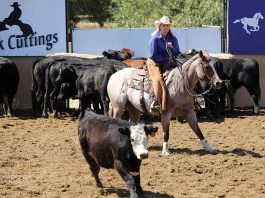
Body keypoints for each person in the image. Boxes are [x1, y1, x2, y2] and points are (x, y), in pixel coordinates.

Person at [147, 16, 180, 113]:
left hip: (168, 62)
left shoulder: (173, 38)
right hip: (154, 62)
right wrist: (167, 58)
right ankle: (157, 103)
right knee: (158, 80)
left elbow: (177, 52)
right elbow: (153, 56)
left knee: (183, 75)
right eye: (164, 25)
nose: (166, 27)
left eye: (167, 25)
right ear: (160, 26)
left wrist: (172, 48)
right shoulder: (155, 39)